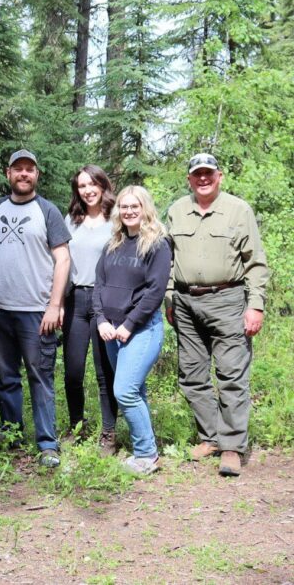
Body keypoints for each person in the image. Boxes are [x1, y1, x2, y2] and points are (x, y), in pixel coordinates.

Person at [165, 153, 269, 477]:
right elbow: (167, 260)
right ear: (189, 179)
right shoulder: (176, 211)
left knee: (231, 375)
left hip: (228, 299)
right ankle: (211, 437)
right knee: (192, 376)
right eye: (197, 174)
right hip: (184, 302)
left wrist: (255, 305)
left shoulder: (238, 211)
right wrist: (169, 298)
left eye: (209, 173)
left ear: (220, 176)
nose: (203, 179)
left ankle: (232, 448)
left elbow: (255, 262)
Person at [0, 149, 71, 468]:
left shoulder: (47, 211)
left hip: (37, 310)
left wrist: (55, 305)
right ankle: (11, 432)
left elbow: (63, 259)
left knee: (40, 375)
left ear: (37, 175)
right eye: (18, 169)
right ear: (8, 174)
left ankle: (47, 443)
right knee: (6, 376)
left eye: (30, 169)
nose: (24, 174)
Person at [94, 186, 172, 475]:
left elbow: (155, 292)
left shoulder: (157, 244)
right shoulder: (113, 242)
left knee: (124, 391)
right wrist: (101, 319)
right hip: (110, 331)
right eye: (124, 207)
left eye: (134, 206)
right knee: (134, 389)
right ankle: (146, 447)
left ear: (145, 208)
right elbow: (98, 284)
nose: (128, 211)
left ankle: (146, 454)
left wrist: (129, 325)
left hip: (141, 330)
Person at [63, 165, 117, 454]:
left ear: (102, 185)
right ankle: (76, 427)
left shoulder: (116, 219)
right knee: (73, 371)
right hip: (76, 299)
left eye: (92, 184)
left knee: (104, 372)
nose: (88, 190)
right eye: (82, 185)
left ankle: (109, 433)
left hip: (106, 302)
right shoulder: (71, 221)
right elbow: (58, 261)